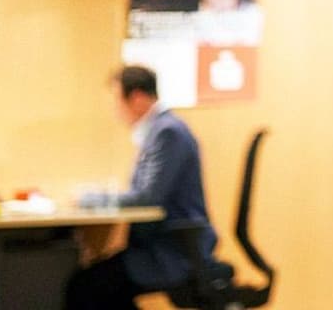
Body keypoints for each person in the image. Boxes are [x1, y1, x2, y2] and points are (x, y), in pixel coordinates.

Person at [64, 66, 218, 310]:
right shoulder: (160, 130)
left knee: (84, 287)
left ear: (136, 98)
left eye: (117, 101)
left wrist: (89, 199)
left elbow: (147, 197)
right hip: (164, 246)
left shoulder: (167, 132)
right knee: (100, 288)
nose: (116, 110)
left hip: (172, 251)